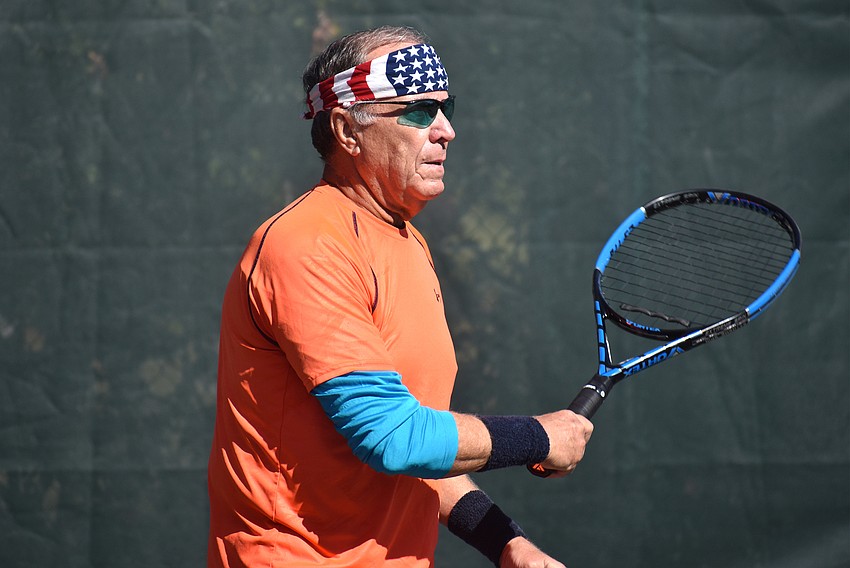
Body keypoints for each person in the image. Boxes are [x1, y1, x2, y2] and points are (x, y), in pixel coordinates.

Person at [207, 25, 593, 568]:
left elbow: (423, 449)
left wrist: (508, 544)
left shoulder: (408, 243)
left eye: (447, 107)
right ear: (346, 130)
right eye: (416, 111)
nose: (446, 130)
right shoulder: (307, 245)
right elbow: (393, 436)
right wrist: (539, 436)